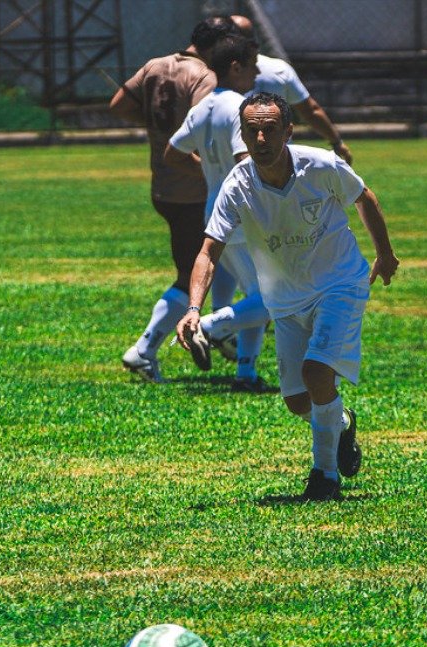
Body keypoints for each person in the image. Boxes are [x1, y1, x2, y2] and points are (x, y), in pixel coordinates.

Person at [177, 92, 400, 501]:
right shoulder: (238, 185)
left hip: (339, 284)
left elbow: (364, 197)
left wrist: (384, 254)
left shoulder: (320, 165)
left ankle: (324, 476)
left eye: (270, 129)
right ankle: (342, 423)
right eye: (252, 131)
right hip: (285, 299)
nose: (260, 139)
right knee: (299, 401)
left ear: (288, 131)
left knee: (318, 373)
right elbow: (209, 250)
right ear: (242, 135)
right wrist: (193, 309)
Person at [110, 17, 237, 382]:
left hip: (162, 184)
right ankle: (144, 349)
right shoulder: (204, 78)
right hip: (192, 189)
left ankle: (228, 333)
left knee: (221, 263)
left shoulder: (156, 65)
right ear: (217, 45)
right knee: (191, 274)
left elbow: (119, 103)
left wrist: (157, 126)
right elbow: (206, 122)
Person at [161, 33, 275, 392]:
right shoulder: (239, 107)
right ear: (236, 67)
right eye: (252, 65)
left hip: (214, 212)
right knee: (275, 300)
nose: (257, 73)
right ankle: (206, 328)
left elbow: (173, 154)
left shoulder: (204, 106)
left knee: (259, 295)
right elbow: (247, 163)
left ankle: (246, 372)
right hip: (243, 215)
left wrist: (211, 176)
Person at [229, 14, 354, 165]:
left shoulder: (215, 75)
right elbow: (311, 110)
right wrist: (336, 141)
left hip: (233, 164)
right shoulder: (279, 69)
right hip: (281, 163)